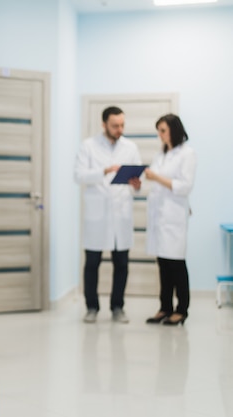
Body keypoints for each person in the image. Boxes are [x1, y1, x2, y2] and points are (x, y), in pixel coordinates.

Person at [74, 106, 142, 324]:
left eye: (122, 125)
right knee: (92, 263)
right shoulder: (88, 146)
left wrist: (136, 184)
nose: (119, 129)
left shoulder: (130, 147)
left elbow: (136, 182)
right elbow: (79, 175)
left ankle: (117, 307)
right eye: (115, 125)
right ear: (104, 124)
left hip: (120, 212)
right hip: (98, 213)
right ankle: (92, 307)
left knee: (121, 263)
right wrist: (104, 170)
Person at [144, 114, 196, 326]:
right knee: (163, 264)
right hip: (159, 215)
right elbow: (156, 179)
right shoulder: (162, 154)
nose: (160, 135)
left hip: (174, 215)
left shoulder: (187, 154)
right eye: (159, 131)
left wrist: (156, 177)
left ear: (174, 130)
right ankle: (164, 307)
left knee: (176, 265)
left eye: (163, 130)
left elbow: (184, 186)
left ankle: (181, 309)